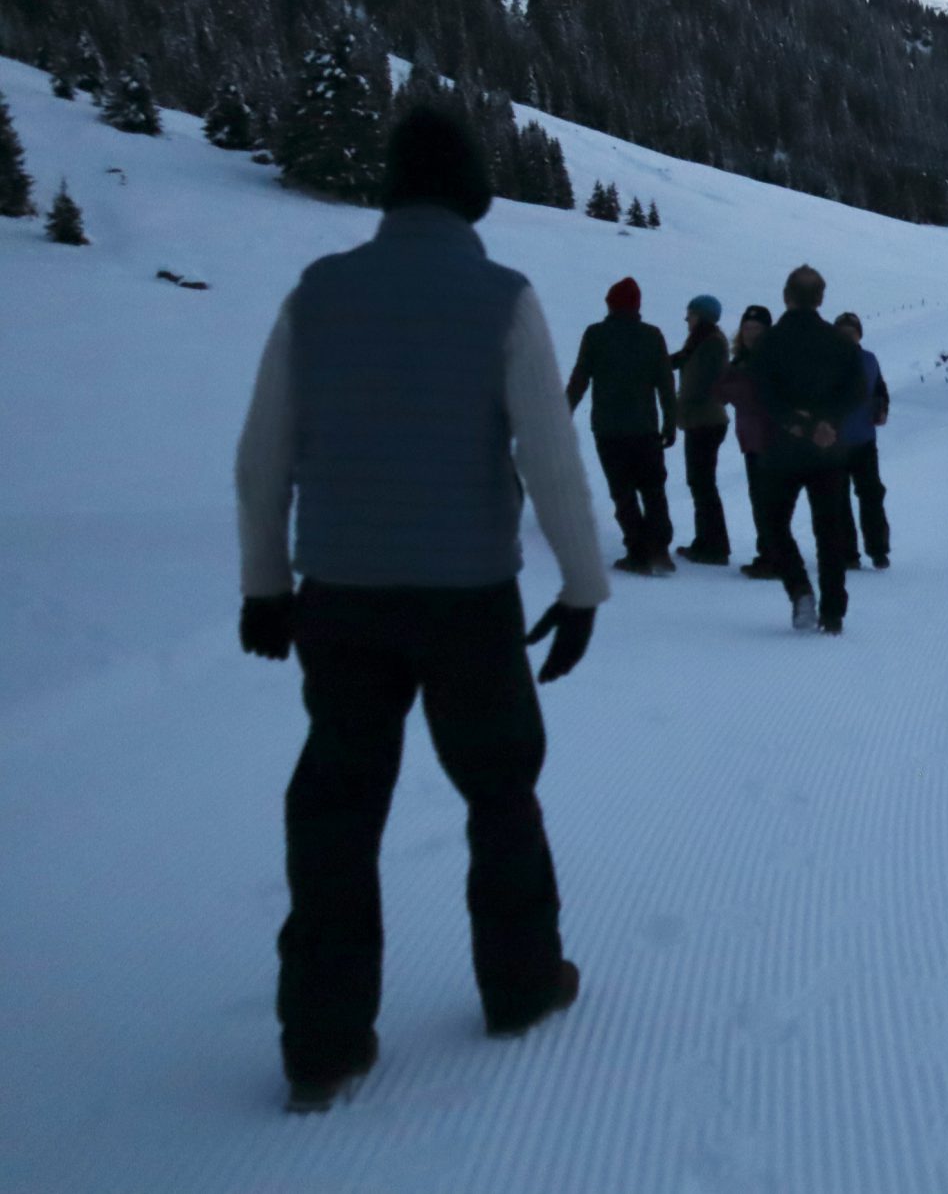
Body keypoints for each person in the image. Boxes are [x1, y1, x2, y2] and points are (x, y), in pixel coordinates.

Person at [235, 105, 604, 1114]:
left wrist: (266, 584)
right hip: (469, 600)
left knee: (336, 813)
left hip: (342, 601)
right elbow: (548, 457)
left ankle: (323, 1043)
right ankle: (522, 985)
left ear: (390, 190)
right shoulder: (502, 298)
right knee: (500, 792)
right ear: (476, 193)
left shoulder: (319, 295)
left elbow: (262, 456)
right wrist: (581, 589)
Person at [751, 266, 865, 633]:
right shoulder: (840, 343)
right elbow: (857, 390)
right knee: (830, 531)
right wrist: (828, 422)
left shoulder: (770, 341)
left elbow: (762, 391)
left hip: (781, 450)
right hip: (828, 449)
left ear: (786, 296)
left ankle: (799, 589)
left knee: (773, 525)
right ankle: (833, 613)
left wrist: (793, 421)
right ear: (820, 299)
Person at [565, 277, 677, 576]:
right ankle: (660, 551)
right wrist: (670, 421)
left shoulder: (596, 334)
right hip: (645, 428)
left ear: (610, 304)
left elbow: (580, 378)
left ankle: (638, 552)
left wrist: (563, 413)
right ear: (637, 306)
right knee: (654, 489)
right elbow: (666, 383)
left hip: (609, 428)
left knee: (623, 492)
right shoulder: (653, 336)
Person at [720, 304, 782, 580]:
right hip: (751, 439)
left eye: (757, 328)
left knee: (769, 501)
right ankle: (768, 553)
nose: (751, 333)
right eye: (747, 328)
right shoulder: (740, 361)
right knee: (760, 500)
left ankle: (774, 557)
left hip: (773, 440)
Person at [671, 295, 731, 565]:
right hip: (701, 420)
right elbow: (681, 361)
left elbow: (700, 384)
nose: (687, 319)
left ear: (702, 316)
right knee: (700, 483)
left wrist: (678, 405)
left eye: (691, 313)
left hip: (705, 421)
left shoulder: (711, 344)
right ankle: (705, 541)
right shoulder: (702, 342)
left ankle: (714, 547)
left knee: (702, 484)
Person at [832, 311, 892, 571]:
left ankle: (872, 551)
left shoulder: (868, 360)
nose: (847, 335)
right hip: (839, 441)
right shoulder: (827, 361)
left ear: (858, 334)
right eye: (843, 331)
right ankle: (856, 553)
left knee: (866, 495)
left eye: (851, 331)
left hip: (858, 440)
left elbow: (880, 390)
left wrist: (882, 409)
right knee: (847, 498)